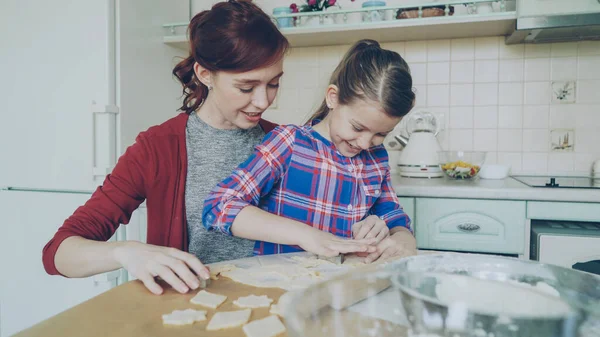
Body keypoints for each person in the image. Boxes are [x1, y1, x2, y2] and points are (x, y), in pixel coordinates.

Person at [42, 0, 373, 296]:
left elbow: (343, 218)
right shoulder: (157, 148)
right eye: (246, 87)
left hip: (279, 311)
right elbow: (59, 253)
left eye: (273, 83)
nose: (264, 101)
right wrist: (125, 252)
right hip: (192, 317)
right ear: (204, 74)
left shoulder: (292, 145)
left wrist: (389, 229)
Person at [203, 39, 418, 264]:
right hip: (282, 284)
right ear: (332, 97)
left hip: (344, 286)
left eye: (381, 134)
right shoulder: (289, 143)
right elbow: (219, 205)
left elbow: (392, 216)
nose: (365, 143)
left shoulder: (376, 158)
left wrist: (402, 237)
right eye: (357, 127)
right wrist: (307, 236)